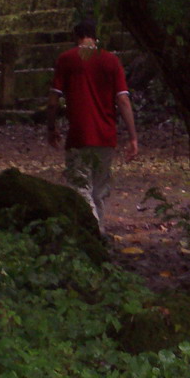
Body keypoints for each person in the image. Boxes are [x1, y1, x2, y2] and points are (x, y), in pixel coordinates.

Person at [46, 20, 138, 232]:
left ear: (76, 37)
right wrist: (133, 137)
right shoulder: (111, 61)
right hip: (106, 136)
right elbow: (123, 101)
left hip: (79, 135)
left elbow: (53, 101)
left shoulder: (66, 60)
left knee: (81, 189)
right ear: (95, 37)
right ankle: (100, 233)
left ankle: (94, 236)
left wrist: (51, 128)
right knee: (99, 192)